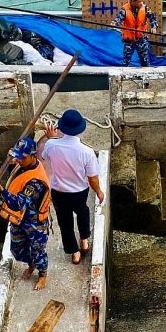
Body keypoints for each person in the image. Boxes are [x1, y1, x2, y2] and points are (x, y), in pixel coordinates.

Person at [37, 109, 105, 264]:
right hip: (79, 191)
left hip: (59, 191)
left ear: (61, 127)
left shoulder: (52, 145)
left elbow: (44, 156)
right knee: (82, 212)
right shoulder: (87, 152)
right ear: (80, 129)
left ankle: (74, 253)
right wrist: (98, 191)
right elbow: (92, 178)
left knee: (65, 221)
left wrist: (50, 138)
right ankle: (84, 241)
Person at [0, 136, 51, 291]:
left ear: (33, 156)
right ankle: (30, 264)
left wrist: (1, 190)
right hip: (20, 219)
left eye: (22, 157)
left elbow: (18, 204)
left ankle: (43, 274)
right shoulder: (22, 164)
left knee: (37, 249)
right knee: (17, 249)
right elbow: (15, 177)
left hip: (34, 221)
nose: (19, 160)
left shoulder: (35, 182)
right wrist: (12, 162)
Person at [112, 0, 159, 67]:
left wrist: (153, 26)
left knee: (145, 62)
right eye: (139, 2)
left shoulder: (145, 8)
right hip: (129, 41)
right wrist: (114, 24)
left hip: (141, 39)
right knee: (125, 62)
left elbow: (152, 18)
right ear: (132, 1)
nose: (141, 3)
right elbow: (118, 20)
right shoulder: (124, 10)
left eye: (142, 1)